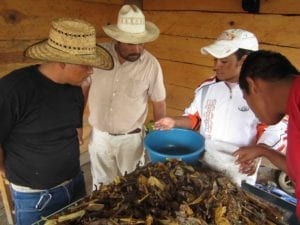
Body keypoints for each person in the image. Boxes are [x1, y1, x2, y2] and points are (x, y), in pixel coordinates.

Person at [0, 18, 113, 225]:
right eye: (85, 65)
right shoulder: (14, 90)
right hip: (36, 197)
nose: (91, 71)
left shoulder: (74, 88)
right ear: (62, 62)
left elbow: (73, 124)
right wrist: (8, 170)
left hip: (75, 183)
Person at [154, 29, 286, 185]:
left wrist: (257, 153)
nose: (216, 66)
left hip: (240, 168)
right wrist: (173, 121)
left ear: (244, 60)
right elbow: (195, 119)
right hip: (205, 163)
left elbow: (273, 130)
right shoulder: (207, 88)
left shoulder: (262, 94)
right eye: (215, 60)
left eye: (223, 61)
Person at [83, 4, 166, 187]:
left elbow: (159, 102)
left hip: (131, 141)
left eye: (141, 43)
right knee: (102, 188)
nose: (137, 49)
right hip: (100, 138)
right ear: (117, 40)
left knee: (134, 187)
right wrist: (75, 123)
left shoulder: (151, 65)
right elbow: (84, 88)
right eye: (130, 43)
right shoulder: (98, 55)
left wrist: (160, 138)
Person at [233, 50, 300, 221]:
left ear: (253, 85)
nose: (253, 111)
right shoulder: (293, 111)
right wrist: (264, 150)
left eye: (246, 98)